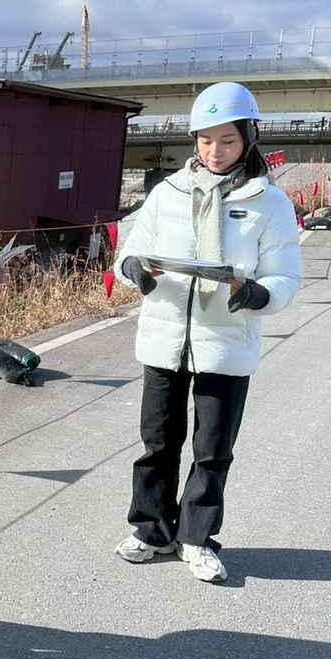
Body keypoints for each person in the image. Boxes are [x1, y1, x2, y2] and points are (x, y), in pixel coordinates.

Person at [112, 82, 302, 583]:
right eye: (205, 140)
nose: (215, 151)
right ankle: (152, 530)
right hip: (165, 339)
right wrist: (135, 270)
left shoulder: (269, 203)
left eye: (228, 140)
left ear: (249, 138)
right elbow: (129, 252)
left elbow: (285, 276)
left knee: (212, 450)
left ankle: (197, 539)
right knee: (158, 444)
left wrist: (256, 294)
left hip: (227, 343)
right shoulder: (167, 193)